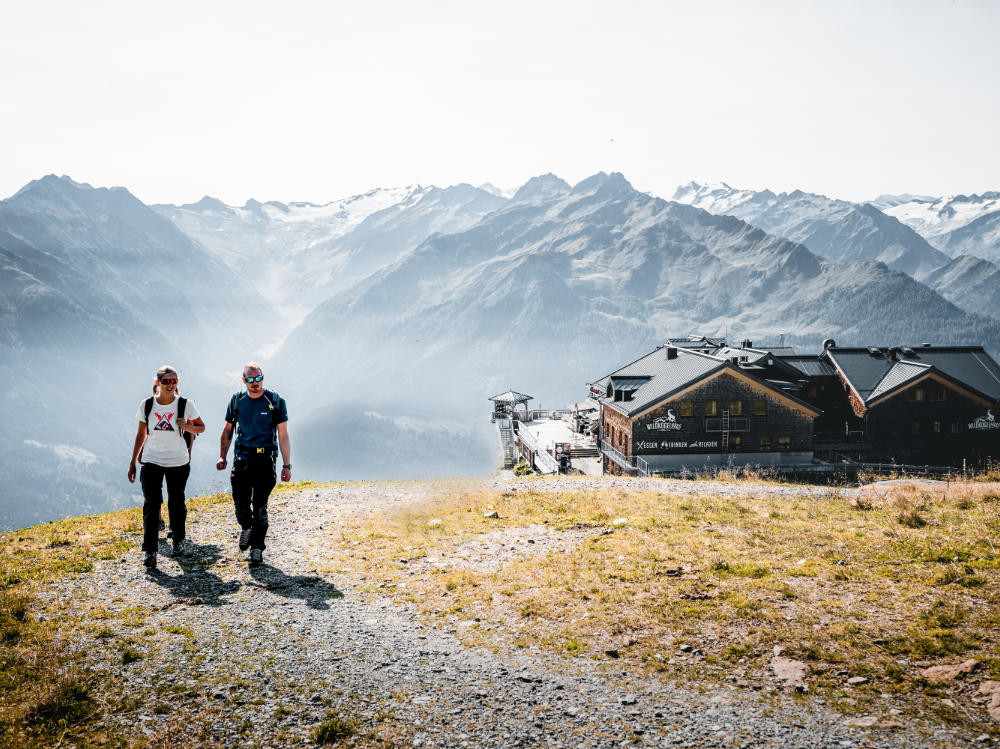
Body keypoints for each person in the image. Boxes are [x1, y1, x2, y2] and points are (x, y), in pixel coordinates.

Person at [128, 365, 206, 569]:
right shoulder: (147, 405)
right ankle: (150, 551)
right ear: (158, 383)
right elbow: (141, 434)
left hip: (178, 461)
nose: (170, 385)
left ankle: (178, 542)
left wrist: (186, 426)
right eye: (166, 381)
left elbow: (201, 427)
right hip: (151, 460)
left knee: (177, 503)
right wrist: (133, 461)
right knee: (152, 504)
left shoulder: (185, 404)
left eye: (174, 381)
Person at [216, 362, 291, 566]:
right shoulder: (237, 401)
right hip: (242, 460)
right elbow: (228, 430)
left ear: (262, 378)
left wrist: (286, 465)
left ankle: (257, 548)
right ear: (244, 380)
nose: (255, 382)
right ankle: (246, 527)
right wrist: (222, 456)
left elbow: (283, 435)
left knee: (260, 507)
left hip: (265, 461)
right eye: (250, 379)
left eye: (258, 378)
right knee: (241, 506)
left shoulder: (276, 401)